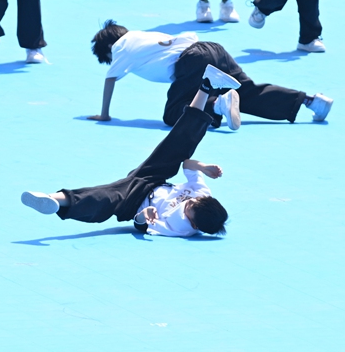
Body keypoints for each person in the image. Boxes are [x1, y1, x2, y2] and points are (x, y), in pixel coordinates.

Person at [22, 66, 236, 237]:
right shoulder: (202, 195)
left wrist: (144, 215)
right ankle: (207, 85)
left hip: (134, 200)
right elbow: (186, 164)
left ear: (195, 224)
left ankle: (52, 199)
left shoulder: (180, 228)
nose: (188, 203)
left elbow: (140, 226)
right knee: (179, 143)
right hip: (156, 178)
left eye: (189, 209)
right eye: (193, 202)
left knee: (104, 198)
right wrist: (203, 167)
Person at [87, 21, 332, 127]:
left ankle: (217, 105)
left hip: (192, 61)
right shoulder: (141, 35)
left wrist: (105, 114)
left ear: (109, 47)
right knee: (247, 92)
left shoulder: (121, 46)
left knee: (174, 113)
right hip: (213, 49)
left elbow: (110, 79)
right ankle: (312, 101)